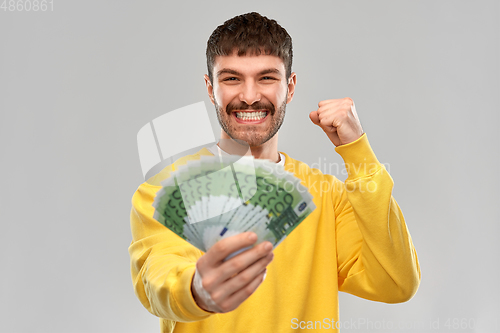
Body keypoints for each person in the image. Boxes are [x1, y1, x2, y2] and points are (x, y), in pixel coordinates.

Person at [129, 12, 421, 333]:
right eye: (231, 78)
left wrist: (357, 150)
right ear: (211, 88)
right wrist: (197, 290)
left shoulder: (327, 197)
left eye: (267, 78)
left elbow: (397, 283)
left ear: (290, 87)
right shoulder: (164, 191)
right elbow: (156, 279)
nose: (250, 96)